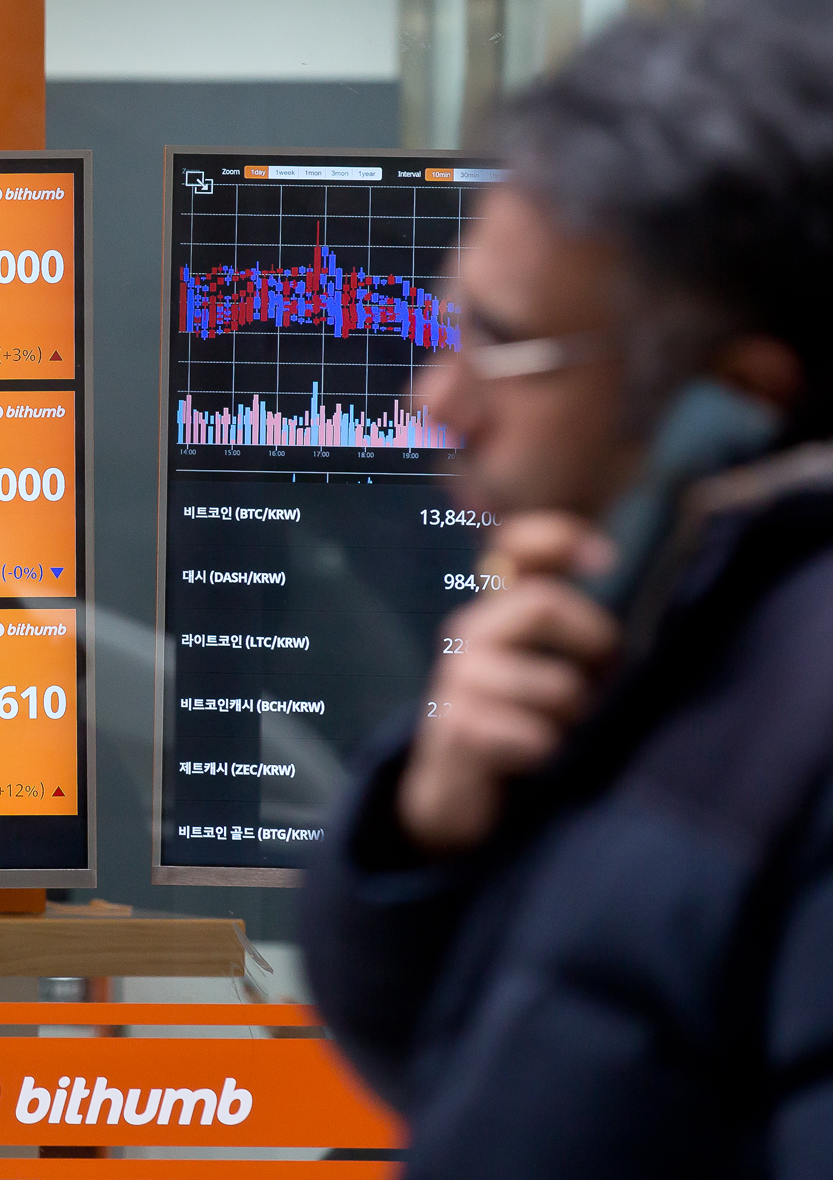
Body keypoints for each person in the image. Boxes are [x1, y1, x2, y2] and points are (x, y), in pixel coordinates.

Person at [300, 4, 833, 1176]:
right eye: (446, 329)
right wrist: (428, 827)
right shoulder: (635, 632)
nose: (434, 404)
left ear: (733, 401)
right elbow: (453, 1059)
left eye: (500, 344)